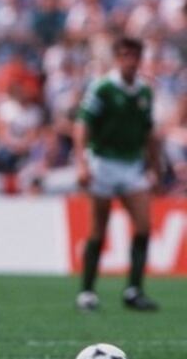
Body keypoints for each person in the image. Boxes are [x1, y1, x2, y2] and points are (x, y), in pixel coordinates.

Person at [74, 36, 160, 312]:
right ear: (117, 58)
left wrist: (154, 164)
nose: (130, 61)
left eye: (135, 56)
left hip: (132, 164)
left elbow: (148, 132)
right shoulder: (103, 88)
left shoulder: (145, 92)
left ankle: (134, 290)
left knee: (144, 225)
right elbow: (82, 126)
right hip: (103, 163)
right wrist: (82, 163)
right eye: (125, 55)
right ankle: (87, 291)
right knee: (99, 227)